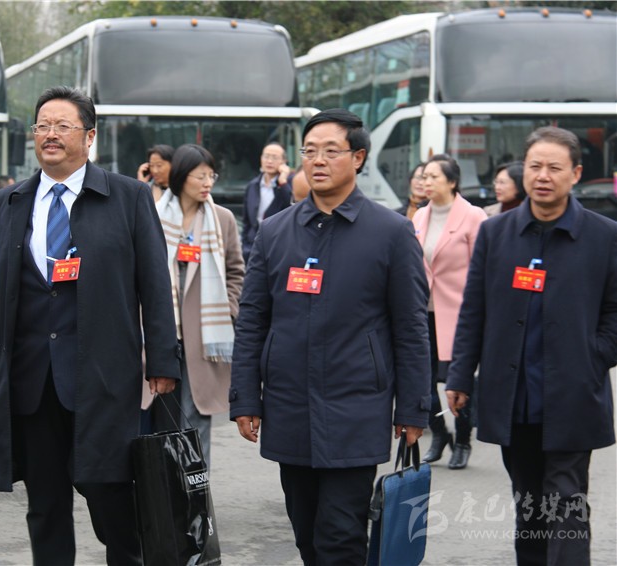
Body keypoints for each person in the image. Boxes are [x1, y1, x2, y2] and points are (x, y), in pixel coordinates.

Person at [0, 86, 180, 565]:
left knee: (111, 497)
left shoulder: (127, 196)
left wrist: (163, 360)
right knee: (45, 506)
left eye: (62, 126)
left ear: (89, 137)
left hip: (103, 377)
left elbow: (154, 283)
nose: (50, 134)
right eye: (42, 125)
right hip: (32, 380)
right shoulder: (8, 202)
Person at [230, 108, 431, 565]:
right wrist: (245, 398)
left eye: (331, 151)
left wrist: (413, 407)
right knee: (306, 533)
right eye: (310, 151)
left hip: (356, 407)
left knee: (340, 537)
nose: (317, 160)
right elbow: (254, 319)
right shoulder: (275, 231)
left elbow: (411, 327)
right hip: (289, 404)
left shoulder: (392, 232)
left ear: (358, 158)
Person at [446, 126, 617, 565]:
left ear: (575, 173)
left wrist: (594, 356)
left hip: (574, 392)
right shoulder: (496, 233)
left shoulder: (604, 236)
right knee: (529, 501)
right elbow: (474, 309)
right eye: (535, 166)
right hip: (514, 394)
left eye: (554, 168)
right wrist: (460, 375)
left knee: (565, 499)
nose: (543, 176)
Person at [149, 144, 244, 467]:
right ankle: (160, 489)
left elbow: (236, 271)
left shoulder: (222, 219)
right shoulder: (154, 215)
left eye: (211, 176)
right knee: (159, 415)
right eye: (200, 176)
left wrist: (227, 310)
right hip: (161, 330)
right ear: (181, 177)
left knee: (195, 417)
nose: (207, 183)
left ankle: (196, 490)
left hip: (204, 335)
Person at [411, 154, 488, 470]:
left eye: (433, 177)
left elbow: (483, 268)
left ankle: (464, 440)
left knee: (459, 379)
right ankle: (440, 434)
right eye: (424, 177)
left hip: (458, 313)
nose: (426, 182)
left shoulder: (473, 216)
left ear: (452, 182)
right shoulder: (419, 216)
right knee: (421, 379)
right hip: (423, 311)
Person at [240, 142, 294, 262]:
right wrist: (245, 247)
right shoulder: (252, 185)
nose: (269, 161)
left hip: (279, 248)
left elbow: (291, 206)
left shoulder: (288, 184)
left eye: (274, 157)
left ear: (284, 161)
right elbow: (246, 222)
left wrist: (283, 182)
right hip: (252, 248)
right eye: (266, 156)